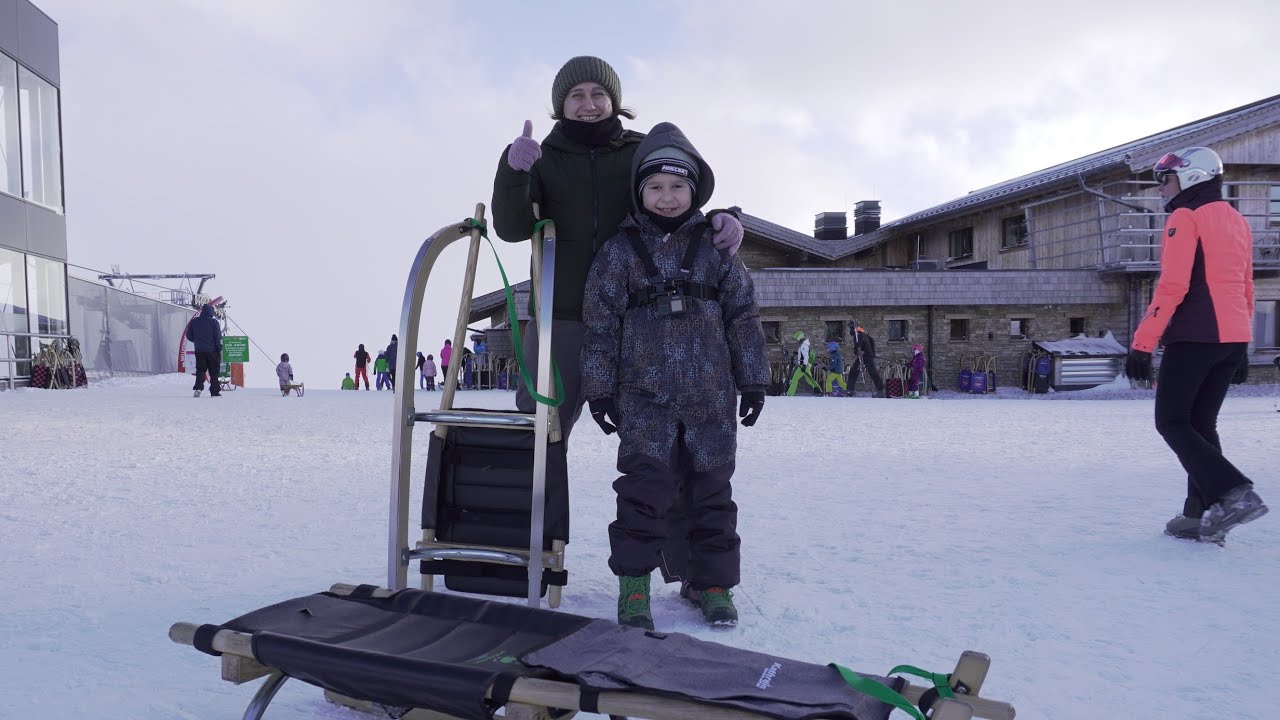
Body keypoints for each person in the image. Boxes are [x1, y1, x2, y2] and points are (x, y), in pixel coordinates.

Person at [492, 55, 744, 441]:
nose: (588, 104)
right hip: (561, 317)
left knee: (653, 434)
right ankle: (541, 503)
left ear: (615, 101)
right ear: (561, 104)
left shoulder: (639, 151)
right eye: (577, 95)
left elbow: (676, 200)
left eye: (598, 93)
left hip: (640, 315)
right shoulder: (541, 158)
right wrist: (513, 172)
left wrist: (724, 216)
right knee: (541, 432)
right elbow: (512, 229)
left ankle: (651, 503)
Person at [581, 121, 769, 630]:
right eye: (656, 187)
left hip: (711, 397)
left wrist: (753, 381)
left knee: (712, 494)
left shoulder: (719, 250)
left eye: (677, 186)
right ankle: (634, 590)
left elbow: (744, 319)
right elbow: (599, 325)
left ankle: (712, 586)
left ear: (695, 189)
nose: (667, 198)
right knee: (643, 494)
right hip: (644, 398)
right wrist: (599, 389)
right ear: (641, 192)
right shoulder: (618, 253)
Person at [1125, 146, 1266, 543]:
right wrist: (1243, 343)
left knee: (1171, 421)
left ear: (1191, 177)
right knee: (1201, 426)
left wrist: (1142, 344)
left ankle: (1233, 493)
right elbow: (1246, 286)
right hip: (1230, 337)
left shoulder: (1184, 217)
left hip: (1195, 334)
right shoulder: (1235, 219)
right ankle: (1201, 516)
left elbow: (1172, 285)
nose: (1160, 190)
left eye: (1164, 180)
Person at [186, 303, 222, 398]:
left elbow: (189, 335)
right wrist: (219, 348)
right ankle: (214, 391)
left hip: (199, 351)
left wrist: (197, 341)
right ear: (212, 312)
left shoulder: (194, 321)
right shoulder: (214, 323)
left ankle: (198, 388)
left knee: (201, 370)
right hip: (212, 351)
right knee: (214, 372)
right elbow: (218, 337)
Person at [849, 322, 885, 397]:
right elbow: (858, 348)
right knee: (855, 371)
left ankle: (881, 390)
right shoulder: (862, 335)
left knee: (871, 372)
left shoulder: (859, 335)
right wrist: (857, 351)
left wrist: (859, 348)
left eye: (851, 327)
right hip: (864, 356)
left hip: (866, 357)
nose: (850, 330)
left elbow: (859, 345)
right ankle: (850, 389)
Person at [785, 330, 819, 396]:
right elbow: (804, 355)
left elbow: (806, 356)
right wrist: (797, 353)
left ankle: (789, 394)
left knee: (795, 379)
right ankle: (818, 390)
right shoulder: (805, 344)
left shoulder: (803, 345)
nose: (796, 340)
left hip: (803, 365)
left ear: (799, 337)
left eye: (796, 338)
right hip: (806, 365)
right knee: (809, 379)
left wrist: (804, 366)